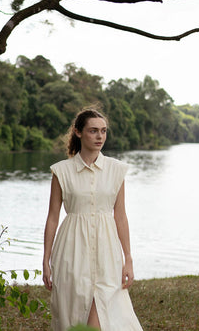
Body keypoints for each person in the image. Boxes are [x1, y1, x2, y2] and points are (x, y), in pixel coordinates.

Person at [42, 108, 143, 331]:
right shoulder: (62, 172)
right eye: (93, 131)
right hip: (72, 249)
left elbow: (121, 216)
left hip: (107, 252)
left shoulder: (116, 170)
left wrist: (128, 258)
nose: (100, 137)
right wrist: (46, 260)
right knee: (73, 313)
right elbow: (52, 218)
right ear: (78, 133)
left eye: (104, 131)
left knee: (106, 313)